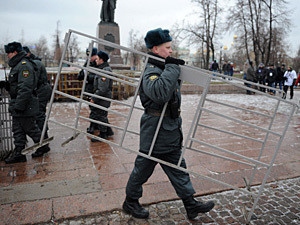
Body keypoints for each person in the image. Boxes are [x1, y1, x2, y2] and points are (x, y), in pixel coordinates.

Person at [122, 28, 215, 220]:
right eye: (168, 47)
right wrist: (173, 68)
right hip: (155, 132)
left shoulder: (163, 67)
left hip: (168, 130)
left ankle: (190, 204)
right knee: (142, 170)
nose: (171, 51)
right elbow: (160, 92)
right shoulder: (151, 70)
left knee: (178, 168)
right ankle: (130, 202)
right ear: (156, 49)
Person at [3, 42, 49, 164]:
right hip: (20, 104)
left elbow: (25, 88)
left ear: (15, 52)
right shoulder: (18, 65)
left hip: (24, 105)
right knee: (17, 129)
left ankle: (43, 146)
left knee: (30, 128)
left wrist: (19, 105)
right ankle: (19, 152)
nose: (8, 55)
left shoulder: (24, 65)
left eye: (9, 53)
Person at [23, 46, 52, 157]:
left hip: (41, 91)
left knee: (38, 115)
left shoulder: (34, 64)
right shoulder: (36, 62)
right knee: (39, 115)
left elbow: (31, 81)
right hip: (42, 89)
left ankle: (43, 143)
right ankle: (44, 139)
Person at [90, 51, 114, 142]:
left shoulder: (105, 70)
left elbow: (102, 88)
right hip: (102, 97)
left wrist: (94, 98)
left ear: (101, 60)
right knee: (101, 114)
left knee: (101, 116)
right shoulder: (103, 69)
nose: (96, 61)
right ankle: (109, 131)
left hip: (103, 98)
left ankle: (103, 135)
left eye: (97, 59)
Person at [78, 47, 98, 134]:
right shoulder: (87, 63)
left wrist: (88, 76)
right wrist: (83, 74)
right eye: (88, 56)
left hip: (94, 90)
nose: (90, 58)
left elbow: (97, 78)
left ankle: (93, 126)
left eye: (91, 56)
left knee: (94, 109)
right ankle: (99, 126)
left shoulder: (97, 64)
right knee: (93, 108)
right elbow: (80, 76)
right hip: (88, 89)